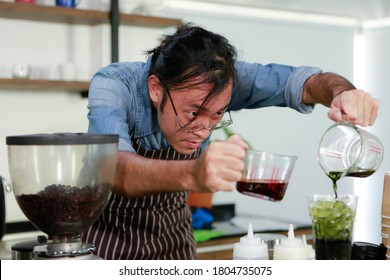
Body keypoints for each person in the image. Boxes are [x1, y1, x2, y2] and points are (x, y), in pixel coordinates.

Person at [82, 23, 379, 260]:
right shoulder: (114, 85)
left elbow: (306, 83)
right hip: (108, 251)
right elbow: (112, 168)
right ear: (156, 89)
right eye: (194, 112)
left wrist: (342, 93)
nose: (203, 128)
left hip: (174, 251)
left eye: (217, 114)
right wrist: (192, 173)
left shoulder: (222, 76)